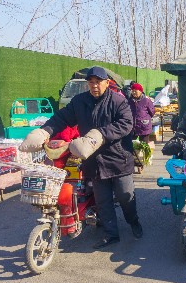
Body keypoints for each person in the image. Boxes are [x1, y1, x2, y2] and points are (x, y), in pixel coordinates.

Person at [19, 66, 143, 249]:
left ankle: (134, 222)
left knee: (125, 196)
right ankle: (111, 235)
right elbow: (61, 118)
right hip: (94, 160)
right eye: (91, 82)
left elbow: (126, 124)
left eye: (98, 82)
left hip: (118, 158)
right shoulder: (79, 101)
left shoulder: (118, 101)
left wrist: (101, 134)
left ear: (107, 83)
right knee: (103, 201)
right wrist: (45, 131)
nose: (94, 86)